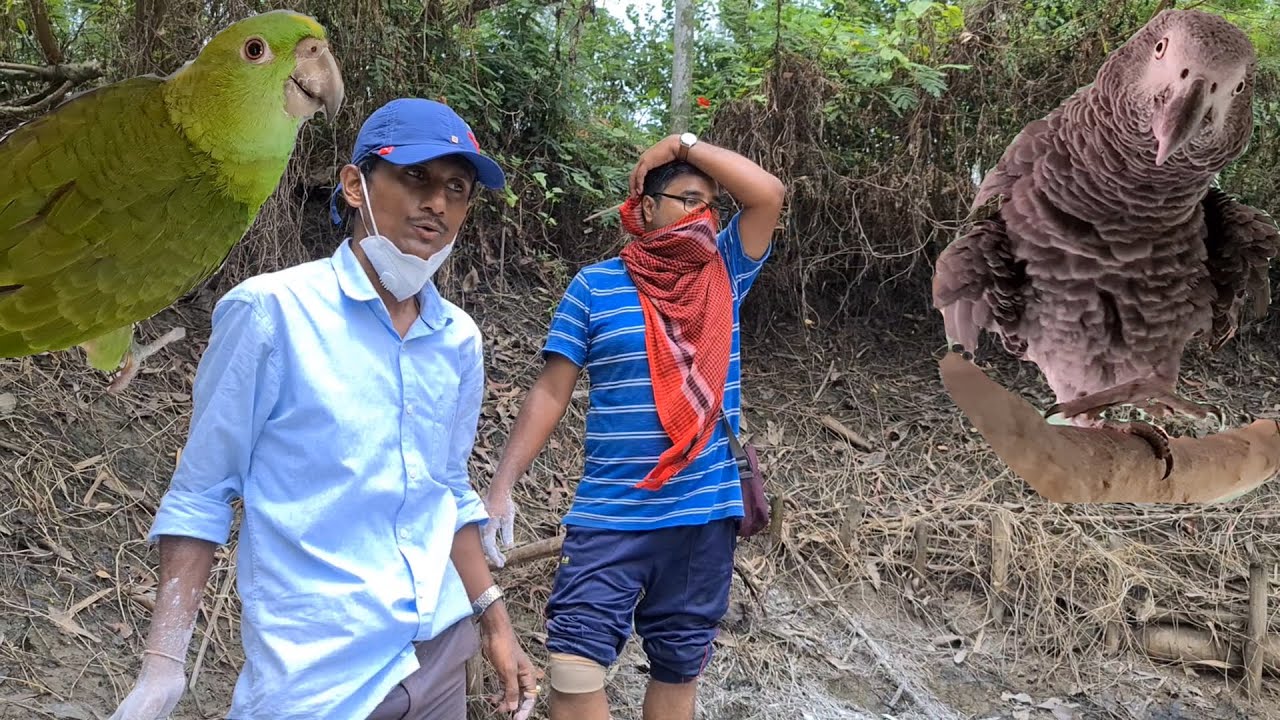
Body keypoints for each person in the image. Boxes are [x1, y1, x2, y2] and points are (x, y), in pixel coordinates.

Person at [108, 98, 538, 720]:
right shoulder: (271, 314)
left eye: (457, 188)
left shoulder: (458, 339)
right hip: (318, 676)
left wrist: (495, 623)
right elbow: (202, 491)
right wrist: (162, 668)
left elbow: (447, 489)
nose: (437, 204)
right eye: (415, 176)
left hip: (441, 655)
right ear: (355, 184)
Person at [481, 132, 784, 720]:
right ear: (647, 208)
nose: (702, 214)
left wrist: (684, 144)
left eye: (710, 206)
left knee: (677, 671)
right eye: (688, 199)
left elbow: (767, 195)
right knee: (571, 670)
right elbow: (550, 391)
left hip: (701, 515)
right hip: (610, 512)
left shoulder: (723, 272)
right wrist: (502, 485)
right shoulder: (594, 287)